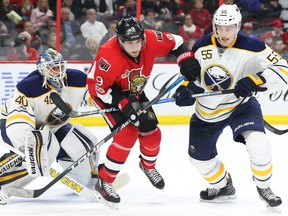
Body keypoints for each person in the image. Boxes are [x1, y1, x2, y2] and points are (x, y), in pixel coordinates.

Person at [174, 4, 288, 208]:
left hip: (240, 105)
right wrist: (186, 89)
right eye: (220, 27)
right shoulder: (201, 45)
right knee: (199, 160)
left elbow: (283, 70)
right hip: (207, 112)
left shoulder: (253, 46)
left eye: (229, 28)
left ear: (238, 27)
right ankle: (223, 186)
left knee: (258, 144)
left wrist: (256, 80)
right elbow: (194, 76)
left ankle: (264, 187)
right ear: (214, 27)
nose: (224, 33)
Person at [87, 16, 200, 206]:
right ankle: (105, 179)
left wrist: (184, 59)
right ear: (120, 40)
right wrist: (123, 104)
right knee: (127, 133)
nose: (134, 47)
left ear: (142, 38)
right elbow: (98, 90)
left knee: (152, 131)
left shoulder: (151, 38)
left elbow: (177, 43)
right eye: (128, 43)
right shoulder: (108, 54)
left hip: (134, 91)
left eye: (137, 41)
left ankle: (148, 166)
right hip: (107, 96)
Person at [0, 48, 99, 205]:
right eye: (53, 68)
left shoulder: (77, 79)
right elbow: (18, 117)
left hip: (54, 124)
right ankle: (3, 183)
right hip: (13, 122)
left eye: (60, 66)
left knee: (85, 144)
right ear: (42, 69)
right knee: (41, 151)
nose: (59, 72)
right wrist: (30, 144)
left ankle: (85, 181)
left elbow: (96, 96)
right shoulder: (28, 87)